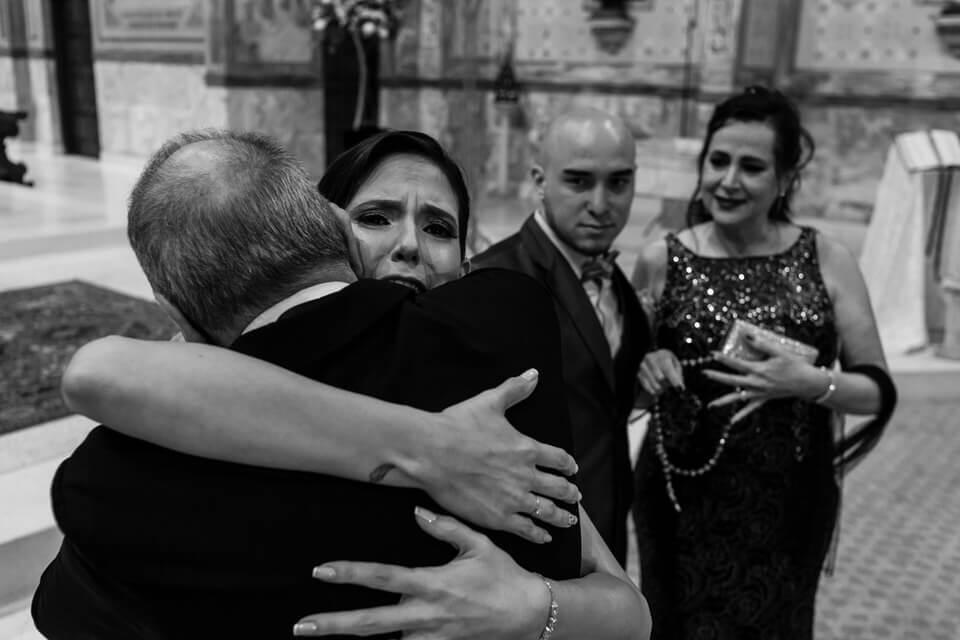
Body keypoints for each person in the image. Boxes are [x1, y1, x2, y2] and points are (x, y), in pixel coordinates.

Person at [35, 130, 651, 639]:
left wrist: (533, 608)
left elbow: (629, 611)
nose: (409, 245)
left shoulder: (503, 382)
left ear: (467, 266)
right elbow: (101, 373)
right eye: (375, 218)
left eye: (439, 228)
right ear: (329, 227)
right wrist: (427, 444)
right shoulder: (507, 329)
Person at [631, 86, 898, 640]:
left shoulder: (825, 259)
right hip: (680, 500)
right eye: (718, 161)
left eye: (751, 167)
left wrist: (809, 383)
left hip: (788, 504)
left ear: (784, 180)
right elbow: (628, 392)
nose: (728, 180)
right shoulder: (661, 260)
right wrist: (647, 366)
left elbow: (877, 390)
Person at [469, 107, 649, 564]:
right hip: (531, 546)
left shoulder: (617, 281)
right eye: (578, 181)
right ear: (539, 180)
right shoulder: (495, 280)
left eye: (619, 182)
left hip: (607, 531)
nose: (601, 204)